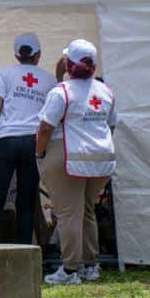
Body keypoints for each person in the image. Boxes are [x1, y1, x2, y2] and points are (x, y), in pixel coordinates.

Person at [36, 39, 116, 285]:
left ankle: (70, 270)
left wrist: (39, 154)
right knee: (86, 210)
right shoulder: (105, 91)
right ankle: (90, 266)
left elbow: (45, 128)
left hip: (68, 155)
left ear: (68, 63)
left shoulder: (61, 92)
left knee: (69, 213)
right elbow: (111, 125)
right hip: (101, 159)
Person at [0, 32, 56, 245]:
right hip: (33, 141)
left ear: (16, 55)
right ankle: (24, 251)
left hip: (5, 140)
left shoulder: (5, 74)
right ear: (38, 54)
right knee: (26, 202)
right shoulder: (49, 79)